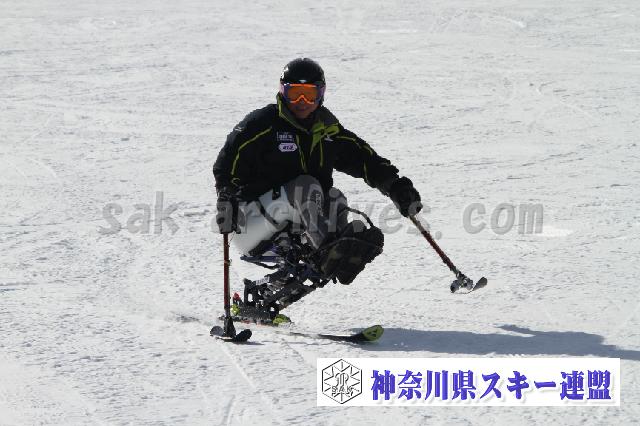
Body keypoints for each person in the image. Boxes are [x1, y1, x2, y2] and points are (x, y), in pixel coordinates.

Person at [213, 58, 422, 285]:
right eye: (295, 94)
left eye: (309, 94)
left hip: (292, 230)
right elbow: (227, 161)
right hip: (247, 224)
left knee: (335, 198)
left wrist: (394, 186)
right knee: (306, 186)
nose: (302, 102)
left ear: (321, 94)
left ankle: (343, 257)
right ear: (283, 92)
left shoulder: (327, 131)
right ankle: (327, 251)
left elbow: (363, 159)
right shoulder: (263, 124)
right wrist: (226, 196)